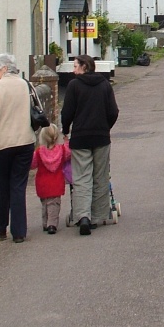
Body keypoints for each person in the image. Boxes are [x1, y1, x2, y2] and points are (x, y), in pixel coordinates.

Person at [60, 54, 119, 236]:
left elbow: (67, 111)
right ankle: (97, 216)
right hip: (101, 136)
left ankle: (83, 215)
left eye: (76, 66)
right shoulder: (104, 85)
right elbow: (113, 111)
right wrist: (105, 127)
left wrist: (66, 129)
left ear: (85, 66)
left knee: (82, 177)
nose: (73, 70)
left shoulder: (74, 86)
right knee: (100, 175)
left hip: (80, 137)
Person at [0, 53, 36, 243]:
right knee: (18, 186)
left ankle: (0, 228)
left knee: (3, 185)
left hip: (2, 143)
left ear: (4, 68)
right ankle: (19, 232)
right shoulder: (25, 84)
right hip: (25, 141)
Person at [31, 123, 71, 235]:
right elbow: (69, 152)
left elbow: (32, 164)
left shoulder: (39, 152)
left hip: (42, 182)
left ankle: (45, 222)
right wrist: (67, 141)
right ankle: (52, 224)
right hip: (56, 182)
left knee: (44, 203)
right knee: (54, 204)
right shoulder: (62, 150)